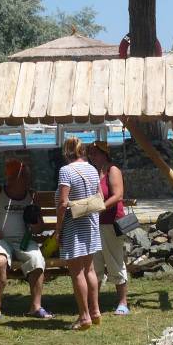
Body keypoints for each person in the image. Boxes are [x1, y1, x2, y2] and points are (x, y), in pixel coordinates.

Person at [0, 159, 53, 321]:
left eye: (28, 176)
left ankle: (36, 307)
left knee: (37, 260)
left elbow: (40, 226)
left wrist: (35, 226)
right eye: (24, 176)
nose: (28, 179)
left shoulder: (32, 195)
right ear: (14, 177)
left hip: (24, 241)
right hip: (1, 240)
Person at [54, 137, 102, 330]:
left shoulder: (66, 171)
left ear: (66, 152)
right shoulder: (92, 169)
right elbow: (100, 196)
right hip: (91, 223)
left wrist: (58, 229)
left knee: (77, 272)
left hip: (73, 225)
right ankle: (95, 311)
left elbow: (62, 203)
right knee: (90, 269)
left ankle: (84, 317)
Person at [87, 140, 130, 315]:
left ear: (104, 154)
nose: (92, 156)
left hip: (111, 223)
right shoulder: (93, 172)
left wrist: (100, 207)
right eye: (90, 153)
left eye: (95, 153)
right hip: (95, 223)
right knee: (95, 264)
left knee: (115, 261)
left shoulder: (113, 170)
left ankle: (123, 302)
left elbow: (118, 195)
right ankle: (93, 303)